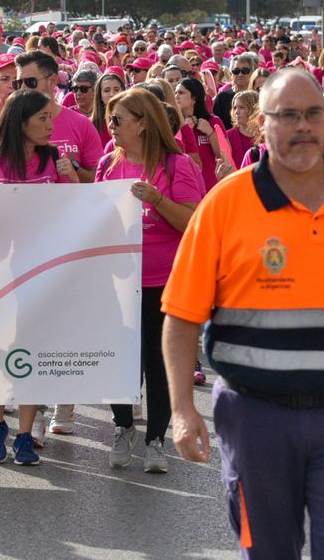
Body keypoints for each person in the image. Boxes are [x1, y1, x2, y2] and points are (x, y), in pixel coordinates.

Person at [163, 68, 324, 559]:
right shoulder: (225, 205)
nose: (302, 126)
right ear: (262, 125)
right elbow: (181, 315)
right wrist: (180, 409)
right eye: (287, 116)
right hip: (255, 416)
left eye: (312, 114)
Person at [97, 88, 204, 472]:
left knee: (158, 363)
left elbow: (194, 222)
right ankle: (123, 426)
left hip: (165, 280)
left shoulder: (178, 165)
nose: (110, 125)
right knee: (120, 359)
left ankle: (155, 439)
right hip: (120, 280)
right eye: (110, 119)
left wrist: (158, 201)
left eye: (118, 119)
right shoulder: (108, 164)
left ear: (142, 124)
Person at [0, 89, 74, 466]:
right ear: (20, 120)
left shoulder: (53, 158)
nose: (51, 124)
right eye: (42, 117)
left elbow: (79, 212)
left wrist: (71, 176)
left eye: (51, 117)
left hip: (41, 274)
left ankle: (26, 434)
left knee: (34, 350)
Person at [13, 50, 103, 182]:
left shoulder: (81, 124)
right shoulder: (11, 124)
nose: (22, 88)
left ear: (52, 81)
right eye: (18, 83)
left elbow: (99, 179)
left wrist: (74, 168)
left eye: (30, 82)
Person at [174, 78, 235, 191]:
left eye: (181, 93)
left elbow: (225, 155)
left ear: (195, 98)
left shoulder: (214, 121)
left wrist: (210, 133)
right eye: (175, 92)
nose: (176, 96)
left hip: (211, 186)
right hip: (186, 187)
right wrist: (185, 131)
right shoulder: (173, 123)